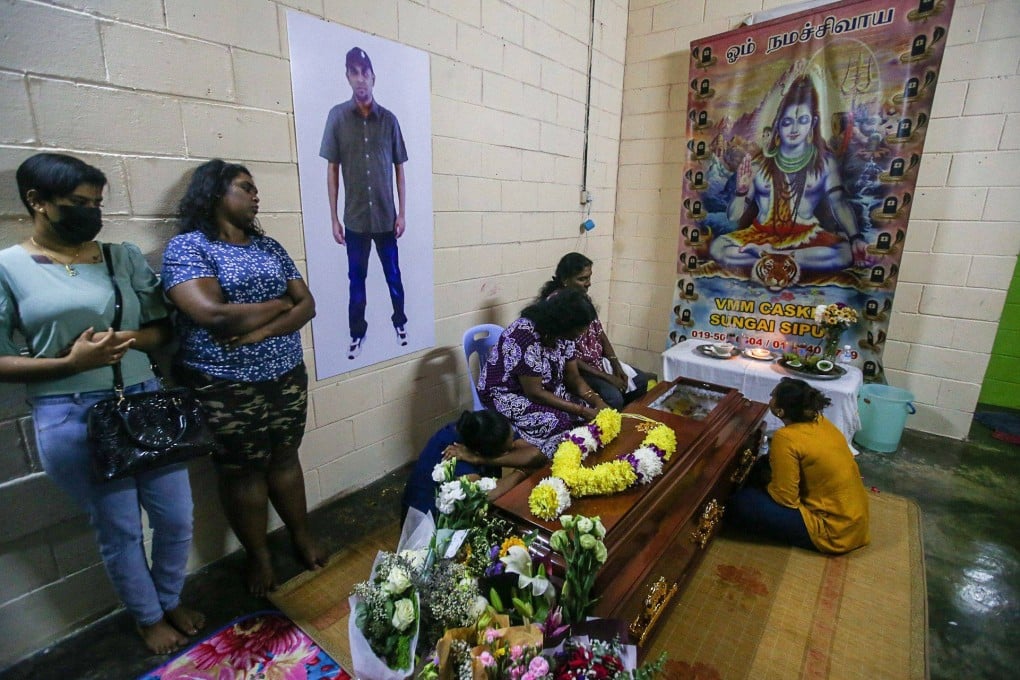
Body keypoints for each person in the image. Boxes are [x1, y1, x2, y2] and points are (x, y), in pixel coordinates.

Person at [0, 153, 203, 654]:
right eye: (78, 202)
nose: (92, 212)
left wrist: (125, 340)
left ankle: (170, 598)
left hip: (144, 401)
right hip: (71, 412)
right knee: (119, 528)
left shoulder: (121, 257)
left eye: (97, 203)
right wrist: (69, 363)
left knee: (176, 516)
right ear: (37, 201)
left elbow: (161, 331)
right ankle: (149, 617)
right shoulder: (8, 268)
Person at [162, 159, 324, 597]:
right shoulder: (189, 248)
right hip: (225, 384)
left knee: (286, 459)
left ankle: (301, 537)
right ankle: (259, 556)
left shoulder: (268, 247)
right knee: (243, 473)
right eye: (245, 187)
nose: (256, 196)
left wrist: (261, 330)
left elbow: (307, 304)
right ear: (216, 193)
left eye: (255, 189)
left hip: (285, 374)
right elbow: (213, 315)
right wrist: (279, 304)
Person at [710, 75, 868, 275]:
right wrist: (741, 191)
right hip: (760, 235)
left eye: (802, 120)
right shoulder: (759, 164)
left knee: (844, 253)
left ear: (813, 122)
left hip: (806, 237)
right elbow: (733, 216)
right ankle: (780, 260)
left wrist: (855, 237)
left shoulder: (824, 163)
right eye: (787, 122)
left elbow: (838, 203)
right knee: (718, 247)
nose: (794, 129)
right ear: (778, 124)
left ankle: (770, 258)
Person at [320, 46, 408, 360]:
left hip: (386, 219)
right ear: (348, 76)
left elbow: (399, 169)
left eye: (365, 73)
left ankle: (400, 322)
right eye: (354, 73)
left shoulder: (390, 121)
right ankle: (357, 332)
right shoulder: (337, 117)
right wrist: (334, 217)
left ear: (373, 77)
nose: (360, 79)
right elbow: (332, 169)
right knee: (356, 281)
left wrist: (402, 213)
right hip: (355, 220)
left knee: (393, 276)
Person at [728, 378, 870, 554]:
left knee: (740, 503)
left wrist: (767, 484)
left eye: (773, 396)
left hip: (833, 531)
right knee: (763, 465)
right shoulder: (820, 420)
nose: (770, 398)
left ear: (780, 411)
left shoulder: (786, 438)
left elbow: (785, 499)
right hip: (855, 522)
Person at [477, 289, 610, 457]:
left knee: (589, 412)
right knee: (560, 422)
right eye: (579, 330)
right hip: (507, 393)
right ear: (564, 323)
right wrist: (581, 410)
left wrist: (597, 401)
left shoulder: (565, 336)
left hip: (547, 388)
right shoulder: (524, 335)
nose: (581, 335)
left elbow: (573, 378)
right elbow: (535, 393)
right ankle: (540, 461)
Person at [539, 253, 654, 409]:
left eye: (589, 277)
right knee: (614, 398)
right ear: (565, 280)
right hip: (578, 369)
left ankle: (628, 418)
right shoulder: (558, 305)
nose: (589, 283)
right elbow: (566, 355)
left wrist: (616, 365)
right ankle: (611, 420)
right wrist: (606, 377)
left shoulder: (581, 298)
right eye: (582, 279)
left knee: (640, 381)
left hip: (598, 362)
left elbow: (600, 334)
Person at [401, 409, 547, 520]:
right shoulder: (452, 453)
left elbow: (536, 455)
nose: (513, 448)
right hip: (429, 523)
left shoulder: (488, 427)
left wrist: (482, 460)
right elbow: (484, 496)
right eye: (506, 450)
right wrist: (522, 472)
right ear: (481, 451)